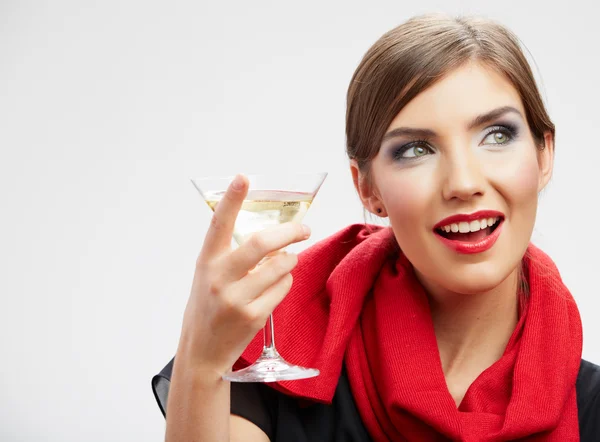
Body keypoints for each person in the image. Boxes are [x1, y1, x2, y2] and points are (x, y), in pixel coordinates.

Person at [152, 12, 600, 441]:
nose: (463, 183)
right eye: (416, 149)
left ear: (544, 156)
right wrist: (202, 358)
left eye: (496, 135)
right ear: (368, 189)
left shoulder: (591, 405)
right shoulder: (278, 353)